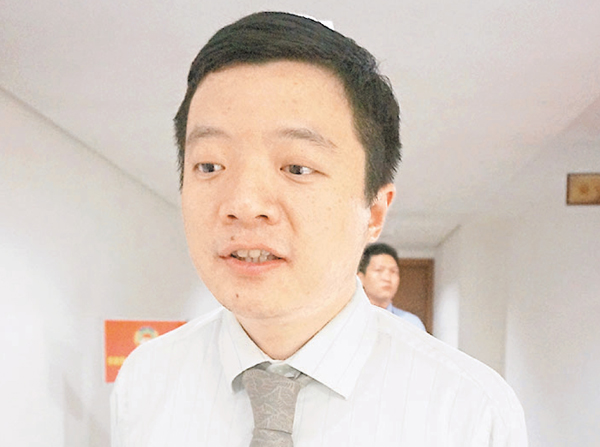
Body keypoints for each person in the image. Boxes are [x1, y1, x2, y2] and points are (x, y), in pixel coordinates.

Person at [111, 11, 527, 446]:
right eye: (210, 165)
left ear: (375, 211)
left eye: (297, 167)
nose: (244, 205)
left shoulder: (469, 411)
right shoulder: (145, 381)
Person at [358, 243, 427, 331]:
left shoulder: (411, 323)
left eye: (393, 271)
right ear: (360, 278)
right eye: (379, 270)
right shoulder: (348, 318)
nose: (387, 278)